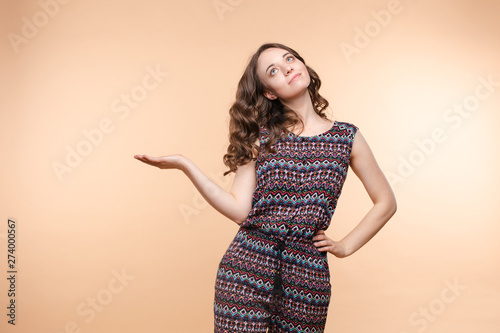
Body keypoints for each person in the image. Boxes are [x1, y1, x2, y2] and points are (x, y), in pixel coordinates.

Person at [134, 42, 397, 333]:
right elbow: (238, 211)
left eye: (290, 58)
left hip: (308, 276)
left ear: (302, 65)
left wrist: (345, 246)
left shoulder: (347, 137)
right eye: (273, 70)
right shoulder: (262, 137)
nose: (287, 67)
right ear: (269, 92)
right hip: (246, 268)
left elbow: (385, 201)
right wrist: (186, 165)